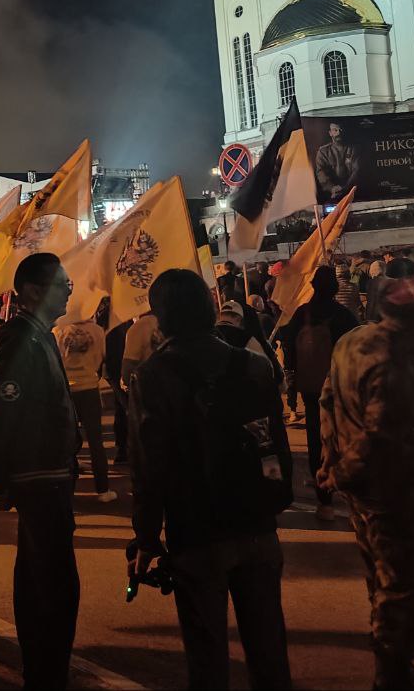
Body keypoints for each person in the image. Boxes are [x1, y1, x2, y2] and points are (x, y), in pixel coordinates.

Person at [128, 269, 293, 690]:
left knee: (207, 658)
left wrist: (146, 537)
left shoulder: (152, 376)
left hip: (196, 530)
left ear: (161, 316)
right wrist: (274, 499)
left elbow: (150, 464)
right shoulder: (254, 365)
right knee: (270, 651)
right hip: (257, 525)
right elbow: (274, 444)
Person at [318, 277, 414, 691]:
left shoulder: (352, 342)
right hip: (389, 493)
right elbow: (380, 436)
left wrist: (329, 462)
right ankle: (391, 678)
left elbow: (327, 400)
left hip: (362, 492)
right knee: (405, 593)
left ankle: (393, 670)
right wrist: (341, 472)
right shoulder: (395, 362)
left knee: (380, 582)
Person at [0, 253, 82, 690]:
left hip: (50, 475)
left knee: (40, 578)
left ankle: (43, 670)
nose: (69, 292)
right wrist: (1, 480)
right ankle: (45, 674)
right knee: (52, 585)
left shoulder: (39, 336)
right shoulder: (19, 338)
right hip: (37, 478)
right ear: (33, 292)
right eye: (62, 285)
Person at [276, 266, 358, 522]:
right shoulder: (344, 316)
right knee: (344, 438)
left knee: (315, 438)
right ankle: (349, 492)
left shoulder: (303, 313)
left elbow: (288, 341)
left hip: (311, 386)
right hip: (339, 385)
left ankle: (324, 502)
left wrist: (293, 371)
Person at [54, 314, 117, 503]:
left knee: (65, 441)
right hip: (89, 388)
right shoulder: (98, 331)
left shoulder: (58, 331)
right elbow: (104, 359)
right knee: (96, 441)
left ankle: (65, 489)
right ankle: (102, 489)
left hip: (66, 390)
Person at [104, 311, 132, 465]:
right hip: (116, 371)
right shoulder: (113, 323)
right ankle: (123, 449)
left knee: (122, 410)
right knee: (125, 410)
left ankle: (124, 448)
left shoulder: (128, 322)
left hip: (119, 371)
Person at [315, 120, 360, 200]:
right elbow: (321, 172)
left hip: (352, 191)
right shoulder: (323, 151)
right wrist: (332, 188)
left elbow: (357, 170)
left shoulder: (353, 149)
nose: (339, 133)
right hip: (330, 194)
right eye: (335, 130)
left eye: (340, 130)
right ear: (330, 133)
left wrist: (346, 188)